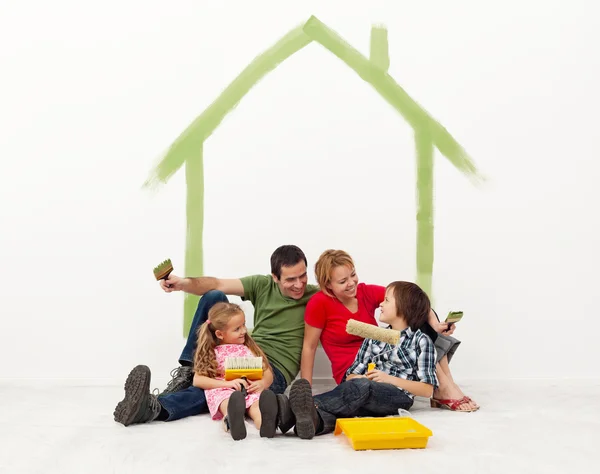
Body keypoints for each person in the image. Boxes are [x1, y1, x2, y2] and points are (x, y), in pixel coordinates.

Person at [113, 245, 318, 427]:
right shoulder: (263, 285)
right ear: (275, 277)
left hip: (272, 369)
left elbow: (346, 293)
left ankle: (153, 407)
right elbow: (217, 283)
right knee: (214, 296)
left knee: (218, 392)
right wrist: (182, 283)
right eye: (291, 279)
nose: (299, 284)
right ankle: (190, 370)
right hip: (243, 354)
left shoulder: (316, 297)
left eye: (303, 276)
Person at [300, 249, 478, 412]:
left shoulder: (364, 292)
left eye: (353, 275)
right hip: (355, 371)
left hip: (387, 364)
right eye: (342, 281)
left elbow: (410, 300)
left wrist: (436, 325)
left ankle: (445, 385)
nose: (351, 283)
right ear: (328, 285)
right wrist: (305, 391)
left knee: (420, 318)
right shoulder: (319, 304)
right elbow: (309, 347)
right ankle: (443, 389)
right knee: (362, 387)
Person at [282, 281, 439, 439]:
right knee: (353, 402)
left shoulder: (421, 341)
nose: (381, 304)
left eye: (387, 300)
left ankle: (291, 409)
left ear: (404, 307)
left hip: (398, 397)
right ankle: (313, 422)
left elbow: (427, 390)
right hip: (365, 392)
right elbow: (350, 376)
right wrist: (361, 378)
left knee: (363, 387)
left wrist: (387, 379)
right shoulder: (374, 337)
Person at [193, 301, 278, 440]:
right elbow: (198, 379)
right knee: (229, 402)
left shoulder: (249, 347)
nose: (244, 331)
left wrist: (263, 383)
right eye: (237, 329)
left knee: (257, 406)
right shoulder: (212, 352)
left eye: (244, 325)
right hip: (224, 390)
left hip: (249, 387)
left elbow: (267, 372)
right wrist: (227, 385)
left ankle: (266, 424)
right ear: (220, 334)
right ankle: (232, 420)